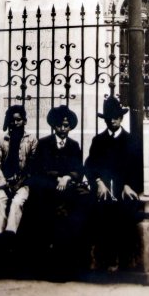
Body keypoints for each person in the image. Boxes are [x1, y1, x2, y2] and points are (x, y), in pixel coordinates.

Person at [24, 105, 90, 280]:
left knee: (73, 218)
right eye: (59, 125)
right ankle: (46, 267)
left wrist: (67, 177)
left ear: (70, 127)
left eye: (66, 125)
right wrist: (57, 177)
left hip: (67, 189)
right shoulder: (44, 143)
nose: (63, 129)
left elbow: (78, 169)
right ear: (54, 126)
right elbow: (38, 168)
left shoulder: (74, 145)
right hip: (47, 188)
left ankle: (71, 266)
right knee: (45, 220)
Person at [85, 96, 144, 273]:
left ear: (121, 117)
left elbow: (137, 168)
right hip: (104, 190)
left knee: (124, 212)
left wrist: (129, 185)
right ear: (106, 119)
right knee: (98, 211)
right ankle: (102, 259)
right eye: (110, 116)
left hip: (124, 190)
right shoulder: (98, 141)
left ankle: (124, 260)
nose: (113, 119)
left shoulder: (132, 140)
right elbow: (90, 166)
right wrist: (98, 182)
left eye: (116, 116)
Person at [0, 105, 38, 265]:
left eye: (18, 120)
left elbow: (33, 163)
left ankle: (10, 238)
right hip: (5, 182)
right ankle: (0, 239)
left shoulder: (31, 139)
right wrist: (4, 181)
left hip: (23, 183)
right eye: (12, 120)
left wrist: (21, 181)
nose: (15, 123)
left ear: (24, 121)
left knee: (17, 203)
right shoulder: (3, 140)